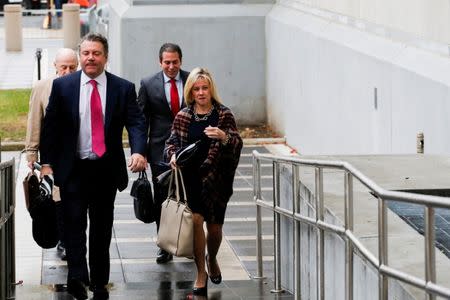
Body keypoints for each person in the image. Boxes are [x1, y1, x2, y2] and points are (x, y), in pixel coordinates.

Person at [40, 33, 147, 300]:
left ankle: (99, 281)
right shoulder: (64, 86)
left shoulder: (123, 88)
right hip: (72, 169)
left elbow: (135, 123)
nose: (90, 58)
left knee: (101, 228)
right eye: (86, 53)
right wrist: (46, 164)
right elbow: (50, 128)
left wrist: (138, 151)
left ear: (105, 57)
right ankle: (77, 276)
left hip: (105, 170)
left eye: (96, 53)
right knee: (73, 226)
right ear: (80, 56)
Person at [165, 67, 242, 296]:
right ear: (191, 91)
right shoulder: (184, 116)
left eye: (205, 88)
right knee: (196, 221)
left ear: (211, 90)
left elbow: (237, 144)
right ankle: (201, 273)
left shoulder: (224, 114)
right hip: (191, 178)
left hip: (217, 179)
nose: (201, 92)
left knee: (215, 228)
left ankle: (213, 257)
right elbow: (171, 143)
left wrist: (224, 136)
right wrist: (171, 155)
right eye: (196, 88)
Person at [137, 43, 189, 264]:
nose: (171, 66)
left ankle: (190, 243)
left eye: (175, 62)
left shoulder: (192, 80)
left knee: (190, 198)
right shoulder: (148, 84)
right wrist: (140, 152)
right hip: (159, 151)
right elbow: (141, 121)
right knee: (163, 200)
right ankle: (164, 245)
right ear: (160, 62)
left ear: (180, 61)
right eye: (166, 62)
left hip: (189, 150)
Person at [25, 47, 78, 260]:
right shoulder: (42, 87)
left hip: (77, 154)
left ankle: (72, 239)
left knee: (75, 200)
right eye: (63, 67)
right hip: (52, 156)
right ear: (55, 66)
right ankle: (63, 241)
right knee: (57, 198)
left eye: (72, 67)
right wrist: (31, 155)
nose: (67, 71)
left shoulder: (82, 85)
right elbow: (34, 122)